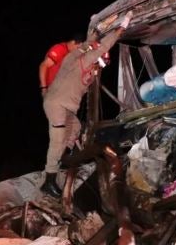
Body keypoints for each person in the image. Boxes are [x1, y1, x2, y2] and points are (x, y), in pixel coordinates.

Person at [40, 11, 132, 197]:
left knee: (75, 128)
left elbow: (88, 43)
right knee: (57, 142)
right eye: (101, 63)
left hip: (63, 105)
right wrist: (120, 29)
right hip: (57, 105)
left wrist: (95, 30)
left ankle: (64, 160)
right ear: (97, 57)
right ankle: (48, 181)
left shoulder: (79, 59)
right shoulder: (84, 61)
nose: (100, 68)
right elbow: (100, 47)